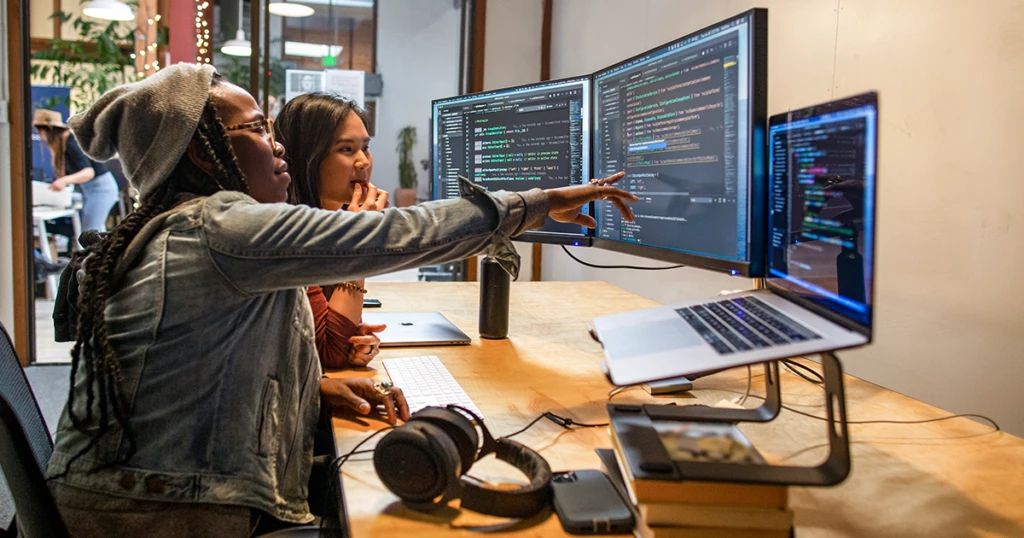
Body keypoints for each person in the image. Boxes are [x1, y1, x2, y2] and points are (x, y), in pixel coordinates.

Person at [46, 63, 636, 537]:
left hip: (123, 493)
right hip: (149, 517)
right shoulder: (219, 228)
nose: (276, 146)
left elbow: (191, 369)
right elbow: (398, 234)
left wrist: (313, 384)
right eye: (256, 129)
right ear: (203, 154)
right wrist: (537, 203)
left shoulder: (180, 227)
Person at [275, 92, 387, 369]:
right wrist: (359, 239)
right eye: (347, 150)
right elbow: (330, 353)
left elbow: (330, 339)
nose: (363, 162)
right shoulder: (290, 233)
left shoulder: (325, 224)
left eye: (365, 147)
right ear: (307, 159)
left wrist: (355, 337)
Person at [33, 109, 120, 232]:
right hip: (89, 191)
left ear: (47, 130)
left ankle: (95, 252)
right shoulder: (63, 145)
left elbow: (88, 172)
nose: (41, 137)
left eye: (40, 132)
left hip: (101, 190)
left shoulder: (71, 142)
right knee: (92, 229)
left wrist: (64, 181)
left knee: (90, 231)